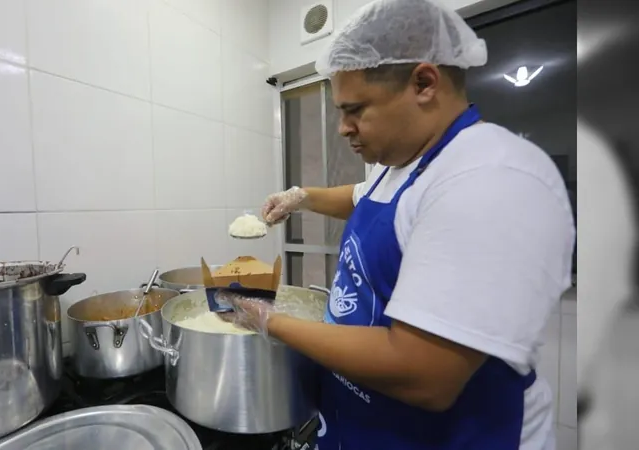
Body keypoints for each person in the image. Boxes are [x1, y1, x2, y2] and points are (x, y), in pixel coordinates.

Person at [218, 0, 576, 448]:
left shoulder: (487, 178)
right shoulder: (401, 163)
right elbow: (359, 198)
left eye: (355, 110)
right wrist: (302, 197)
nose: (343, 129)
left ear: (424, 83)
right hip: (367, 423)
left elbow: (422, 373)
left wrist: (269, 320)